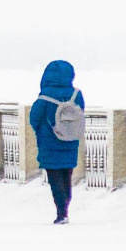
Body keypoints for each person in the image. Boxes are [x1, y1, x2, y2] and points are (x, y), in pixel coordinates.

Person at [32, 59, 85, 223]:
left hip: (49, 143)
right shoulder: (76, 94)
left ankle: (61, 212)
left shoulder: (44, 96)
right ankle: (65, 205)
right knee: (66, 175)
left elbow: (34, 117)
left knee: (54, 178)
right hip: (70, 141)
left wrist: (42, 131)